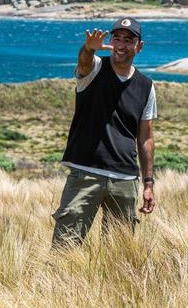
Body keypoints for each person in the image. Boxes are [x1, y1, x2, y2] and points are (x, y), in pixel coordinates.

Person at [52, 17, 156, 247]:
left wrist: (148, 183)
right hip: (85, 172)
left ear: (139, 46)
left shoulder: (146, 86)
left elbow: (146, 138)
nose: (121, 45)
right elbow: (84, 61)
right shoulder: (96, 67)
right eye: (116, 38)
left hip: (125, 179)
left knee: (120, 255)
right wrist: (88, 48)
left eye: (128, 40)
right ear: (109, 41)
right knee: (65, 246)